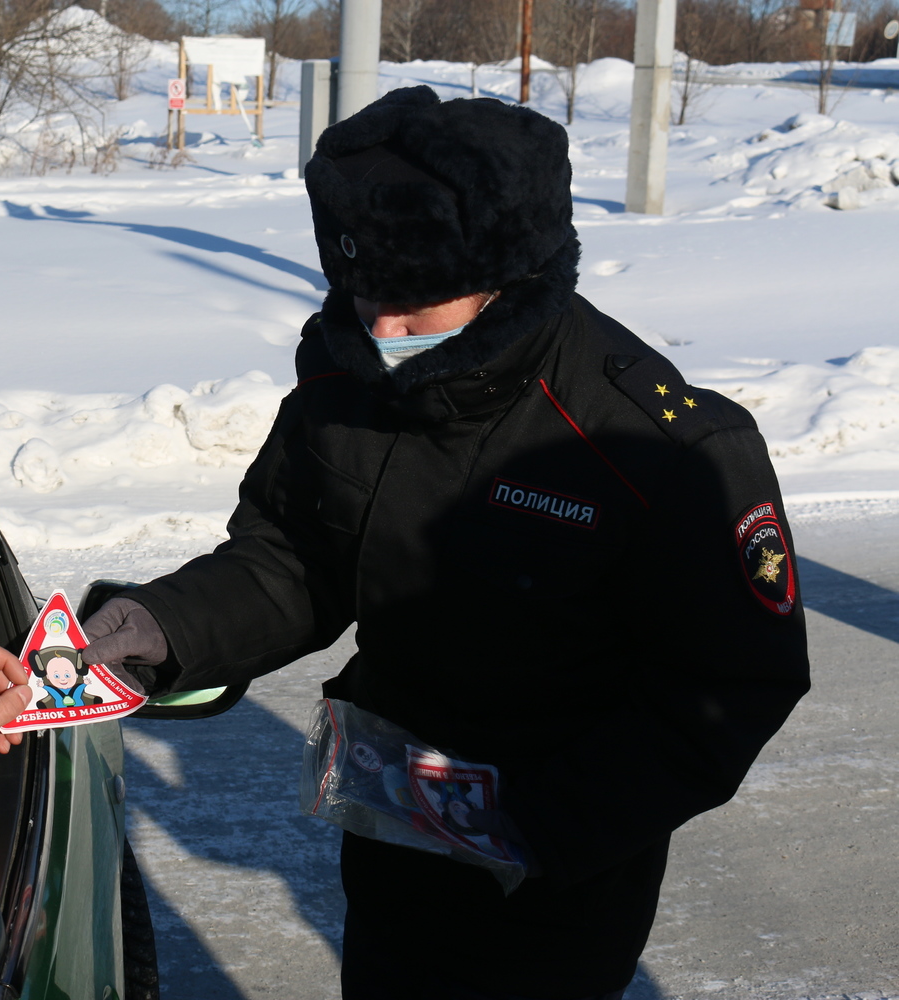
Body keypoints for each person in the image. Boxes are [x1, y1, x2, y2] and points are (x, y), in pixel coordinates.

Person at [78, 87, 810, 1000]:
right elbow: (295, 557)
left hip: (554, 874)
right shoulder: (347, 377)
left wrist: (537, 824)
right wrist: (166, 623)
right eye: (363, 291)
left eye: (413, 301)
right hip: (394, 829)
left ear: (503, 276)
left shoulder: (648, 443)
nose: (380, 328)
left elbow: (734, 680)